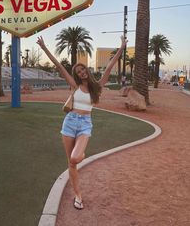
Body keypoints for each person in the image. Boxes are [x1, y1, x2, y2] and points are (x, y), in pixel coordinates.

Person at [36, 35, 127, 210]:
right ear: (76, 75)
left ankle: (81, 155)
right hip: (69, 122)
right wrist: (44, 47)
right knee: (71, 164)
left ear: (87, 70)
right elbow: (58, 66)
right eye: (78, 72)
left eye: (83, 70)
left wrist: (121, 47)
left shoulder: (97, 87)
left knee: (75, 158)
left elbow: (109, 66)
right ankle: (78, 196)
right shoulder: (74, 86)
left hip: (85, 123)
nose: (82, 73)